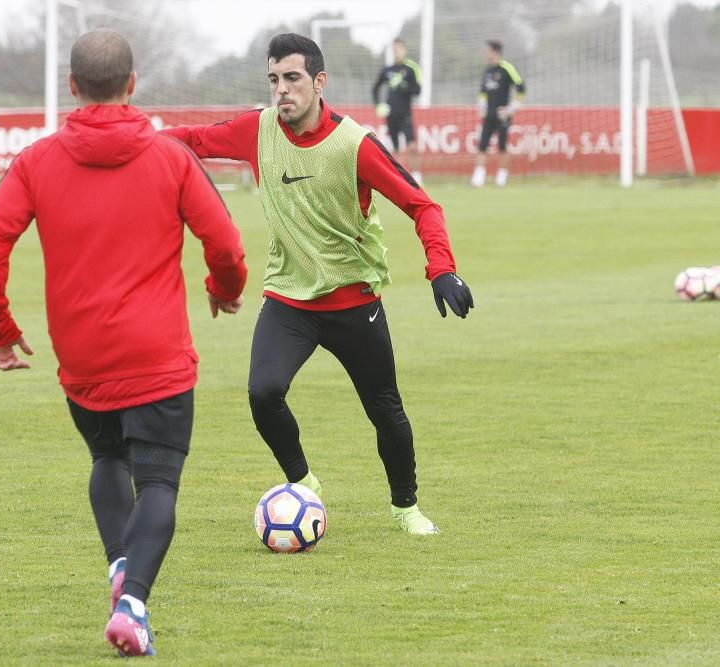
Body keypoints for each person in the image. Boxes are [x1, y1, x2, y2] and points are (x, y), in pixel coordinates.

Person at [0, 30, 247, 658]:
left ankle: (120, 564)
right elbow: (226, 243)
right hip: (158, 357)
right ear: (132, 83)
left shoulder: (36, 161)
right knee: (159, 484)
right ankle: (133, 602)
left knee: (107, 461)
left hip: (83, 358)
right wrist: (224, 287)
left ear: (72, 87)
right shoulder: (171, 158)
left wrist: (0, 331)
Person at [164, 33, 473, 537]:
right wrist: (129, 134)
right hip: (288, 298)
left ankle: (406, 509)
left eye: (292, 78)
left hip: (354, 301)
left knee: (385, 411)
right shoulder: (256, 130)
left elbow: (423, 206)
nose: (281, 90)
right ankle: (302, 483)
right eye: (273, 79)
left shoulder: (355, 144)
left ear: (319, 82)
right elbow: (192, 141)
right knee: (263, 393)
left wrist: (441, 268)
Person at [471, 40, 526, 187]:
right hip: (488, 115)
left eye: (487, 50)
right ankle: (478, 179)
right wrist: (481, 107)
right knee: (482, 145)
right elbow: (483, 92)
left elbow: (521, 87)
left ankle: (501, 178)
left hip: (503, 115)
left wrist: (511, 109)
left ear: (495, 51)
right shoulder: (487, 71)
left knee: (502, 146)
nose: (485, 53)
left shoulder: (507, 68)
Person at [372, 38, 422, 183]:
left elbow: (418, 90)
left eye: (399, 49)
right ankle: (399, 178)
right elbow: (375, 88)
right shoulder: (388, 70)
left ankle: (417, 176)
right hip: (391, 114)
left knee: (412, 146)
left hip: (405, 114)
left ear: (404, 50)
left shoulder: (411, 69)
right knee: (395, 148)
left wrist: (406, 88)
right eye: (394, 49)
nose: (397, 52)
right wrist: (379, 104)